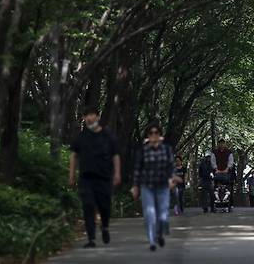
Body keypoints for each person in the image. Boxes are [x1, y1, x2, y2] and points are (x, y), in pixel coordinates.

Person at [69, 107, 121, 248]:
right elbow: (74, 155)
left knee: (104, 206)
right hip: (86, 178)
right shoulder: (81, 137)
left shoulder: (107, 135)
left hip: (104, 178)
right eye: (87, 116)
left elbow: (115, 155)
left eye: (92, 115)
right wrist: (72, 174)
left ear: (97, 117)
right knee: (88, 205)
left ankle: (105, 227)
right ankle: (91, 238)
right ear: (84, 118)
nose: (89, 118)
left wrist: (117, 173)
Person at [131, 122, 175, 252]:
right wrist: (135, 186)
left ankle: (159, 233)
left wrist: (171, 179)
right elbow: (137, 170)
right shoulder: (143, 151)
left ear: (160, 135)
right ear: (148, 136)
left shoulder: (166, 149)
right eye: (151, 133)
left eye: (156, 133)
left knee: (162, 216)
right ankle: (151, 241)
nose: (154, 135)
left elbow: (171, 166)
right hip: (147, 186)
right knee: (149, 213)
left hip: (163, 186)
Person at [211, 139, 235, 210]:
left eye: (223, 143)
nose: (221, 145)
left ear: (225, 144)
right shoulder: (214, 152)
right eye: (220, 143)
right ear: (218, 144)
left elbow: (231, 161)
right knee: (215, 188)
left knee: (228, 188)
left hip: (226, 173)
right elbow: (213, 161)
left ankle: (229, 204)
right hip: (217, 173)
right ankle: (214, 204)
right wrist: (216, 169)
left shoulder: (229, 152)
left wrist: (227, 169)